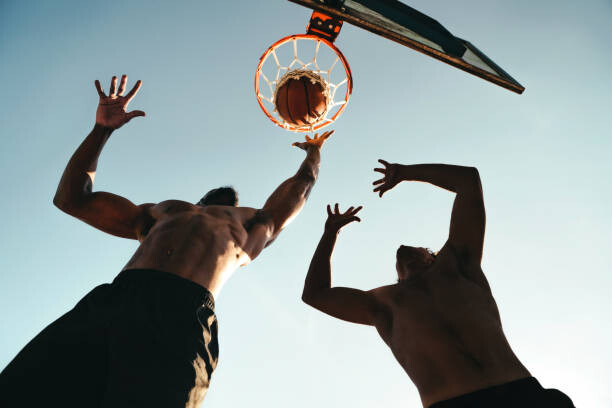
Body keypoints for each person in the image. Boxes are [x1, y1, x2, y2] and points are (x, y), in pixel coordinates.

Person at [0, 75, 333, 408]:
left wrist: (314, 155)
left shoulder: (251, 223)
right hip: (119, 299)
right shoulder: (165, 212)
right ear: (200, 199)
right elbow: (72, 199)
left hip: (182, 316)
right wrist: (102, 129)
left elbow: (300, 189)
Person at [301, 161, 575, 408]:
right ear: (398, 275)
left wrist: (406, 173)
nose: (403, 252)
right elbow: (315, 294)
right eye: (398, 263)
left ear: (431, 255)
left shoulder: (458, 263)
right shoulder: (384, 302)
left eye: (418, 250)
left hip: (523, 395)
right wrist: (330, 234)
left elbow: (468, 181)